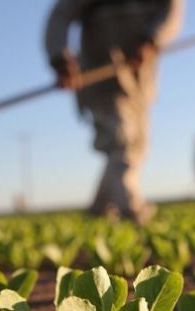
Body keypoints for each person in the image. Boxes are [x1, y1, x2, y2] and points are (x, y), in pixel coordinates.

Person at [45, 0, 185, 224]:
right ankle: (131, 209)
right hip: (101, 77)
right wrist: (60, 58)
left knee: (136, 146)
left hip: (139, 81)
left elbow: (172, 12)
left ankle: (98, 209)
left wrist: (153, 39)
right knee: (122, 140)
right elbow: (61, 16)